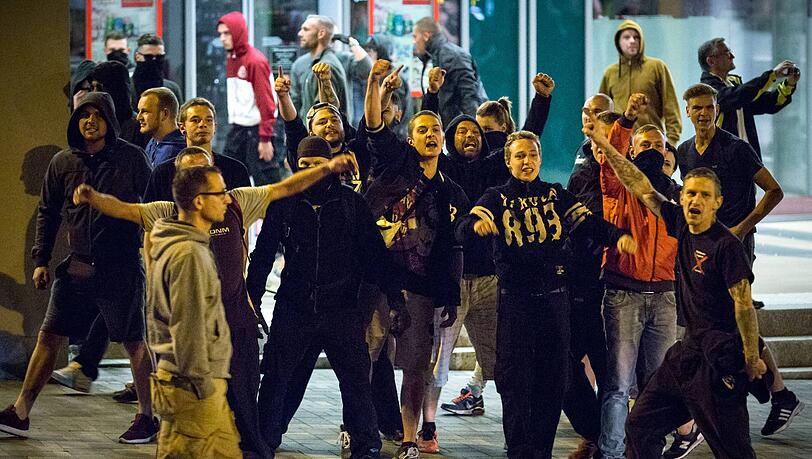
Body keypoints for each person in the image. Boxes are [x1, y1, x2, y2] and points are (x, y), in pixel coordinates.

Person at [72, 144, 357, 458]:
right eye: (205, 179)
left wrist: (327, 168)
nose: (222, 191)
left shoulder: (234, 203)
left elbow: (284, 187)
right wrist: (93, 198)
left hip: (236, 330)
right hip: (193, 351)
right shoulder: (168, 223)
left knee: (244, 415)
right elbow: (125, 210)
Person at [583, 110, 769, 459]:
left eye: (704, 196)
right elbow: (640, 185)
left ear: (717, 203)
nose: (695, 201)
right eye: (691, 194)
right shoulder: (680, 225)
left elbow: (743, 304)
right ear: (682, 198)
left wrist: (749, 356)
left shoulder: (726, 246)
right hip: (686, 353)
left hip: (720, 357)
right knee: (640, 426)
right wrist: (605, 143)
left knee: (734, 448)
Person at [457, 130, 635, 459]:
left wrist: (618, 236)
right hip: (515, 304)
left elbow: (589, 223)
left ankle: (542, 451)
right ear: (508, 161)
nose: (527, 161)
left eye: (533, 155)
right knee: (516, 384)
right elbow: (464, 226)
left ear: (540, 158)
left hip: (556, 302)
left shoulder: (555, 195)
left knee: (555, 382)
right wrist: (475, 228)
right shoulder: (496, 198)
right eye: (520, 156)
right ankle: (521, 452)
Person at [0, 92, 156, 444]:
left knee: (134, 341)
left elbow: (151, 207)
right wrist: (41, 260)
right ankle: (21, 412)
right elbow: (48, 211)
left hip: (120, 266)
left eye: (97, 115)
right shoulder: (62, 162)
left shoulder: (132, 160)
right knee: (49, 334)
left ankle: (146, 416)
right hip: (77, 268)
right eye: (83, 115)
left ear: (109, 120)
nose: (90, 121)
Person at [417, 67, 554, 452]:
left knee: (505, 361)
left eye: (474, 133)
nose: (469, 137)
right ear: (450, 139)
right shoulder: (442, 171)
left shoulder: (493, 169)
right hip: (453, 280)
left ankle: (521, 433)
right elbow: (426, 142)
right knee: (437, 359)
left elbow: (527, 141)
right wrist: (430, 95)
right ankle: (428, 429)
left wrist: (541, 101)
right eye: (461, 132)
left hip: (492, 280)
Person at [247, 136, 401, 459]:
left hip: (341, 309)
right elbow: (262, 256)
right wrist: (252, 299)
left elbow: (376, 256)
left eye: (319, 165)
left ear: (330, 166)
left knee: (357, 382)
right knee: (277, 378)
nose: (313, 172)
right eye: (305, 167)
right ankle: (263, 442)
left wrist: (395, 299)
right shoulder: (284, 203)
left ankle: (366, 446)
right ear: (295, 167)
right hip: (294, 307)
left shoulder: (351, 204)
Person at [676, 83, 804, 443]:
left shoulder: (736, 148)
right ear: (687, 111)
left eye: (709, 107)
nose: (703, 113)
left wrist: (740, 229)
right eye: (697, 107)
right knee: (719, 321)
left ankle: (773, 393)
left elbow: (774, 190)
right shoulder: (686, 151)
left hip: (733, 250)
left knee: (731, 316)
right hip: (703, 250)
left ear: (717, 108)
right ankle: (778, 394)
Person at [364, 59, 470, 459]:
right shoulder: (395, 166)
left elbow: (452, 251)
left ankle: (409, 439)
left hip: (422, 293)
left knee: (415, 370)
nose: (431, 134)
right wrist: (376, 84)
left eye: (436, 129)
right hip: (377, 285)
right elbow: (374, 126)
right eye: (422, 130)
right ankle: (356, 427)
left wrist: (450, 296)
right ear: (410, 139)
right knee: (364, 359)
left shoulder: (452, 191)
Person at [594, 95, 681, 459]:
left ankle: (648, 452)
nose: (653, 150)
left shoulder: (679, 197)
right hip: (623, 294)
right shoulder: (620, 187)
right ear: (631, 150)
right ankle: (611, 452)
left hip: (664, 297)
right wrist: (626, 119)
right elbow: (612, 164)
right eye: (644, 145)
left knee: (656, 386)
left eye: (659, 145)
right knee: (617, 385)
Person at [145, 165, 242, 457]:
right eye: (221, 193)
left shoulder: (183, 246)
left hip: (196, 384)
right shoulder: (189, 254)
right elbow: (187, 326)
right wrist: (201, 386)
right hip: (194, 386)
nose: (227, 199)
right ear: (199, 201)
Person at [697, 37, 800, 160]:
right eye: (726, 53)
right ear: (711, 61)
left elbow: (769, 103)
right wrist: (772, 75)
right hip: (725, 161)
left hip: (748, 157)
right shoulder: (707, 89)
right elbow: (735, 96)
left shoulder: (733, 85)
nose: (732, 56)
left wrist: (789, 84)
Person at [145, 97, 251, 202]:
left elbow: (248, 212)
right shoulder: (162, 173)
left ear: (215, 127)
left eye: (209, 120)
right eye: (195, 120)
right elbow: (150, 214)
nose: (202, 125)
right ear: (182, 128)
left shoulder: (236, 170)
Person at [217, 12, 279, 186]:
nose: (222, 38)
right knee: (228, 177)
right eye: (220, 34)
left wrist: (265, 138)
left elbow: (266, 101)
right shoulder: (232, 58)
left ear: (238, 32)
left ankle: (280, 214)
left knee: (266, 183)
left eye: (227, 33)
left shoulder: (255, 61)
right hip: (239, 129)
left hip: (257, 130)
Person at [598, 19, 681, 145]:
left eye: (636, 37)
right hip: (619, 144)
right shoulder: (610, 73)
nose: (632, 41)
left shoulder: (656, 67)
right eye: (626, 37)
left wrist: (671, 144)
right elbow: (603, 113)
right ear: (618, 42)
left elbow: (671, 108)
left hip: (651, 143)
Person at [412, 17, 487, 124]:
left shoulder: (453, 56)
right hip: (448, 128)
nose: (413, 41)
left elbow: (469, 97)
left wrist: (473, 128)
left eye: (415, 36)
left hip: (458, 128)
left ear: (426, 35)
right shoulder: (430, 57)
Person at [290, 15, 349, 118]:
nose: (300, 34)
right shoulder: (314, 63)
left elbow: (326, 116)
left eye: (306, 29)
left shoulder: (326, 66)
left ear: (321, 34)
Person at [136, 87, 186, 166]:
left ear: (165, 114)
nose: (138, 117)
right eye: (139, 111)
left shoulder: (180, 152)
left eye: (145, 111)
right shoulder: (153, 142)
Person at [132, 33, 183, 103]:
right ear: (137, 57)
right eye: (149, 57)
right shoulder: (126, 88)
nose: (154, 60)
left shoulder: (172, 89)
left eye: (159, 57)